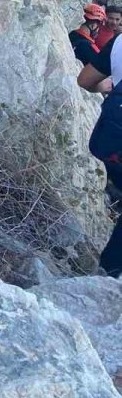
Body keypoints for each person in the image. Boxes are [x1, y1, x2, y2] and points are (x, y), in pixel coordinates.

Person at [77, 31, 122, 277]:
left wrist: (107, 85)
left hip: (113, 141)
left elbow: (84, 80)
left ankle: (107, 274)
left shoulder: (119, 42)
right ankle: (110, 274)